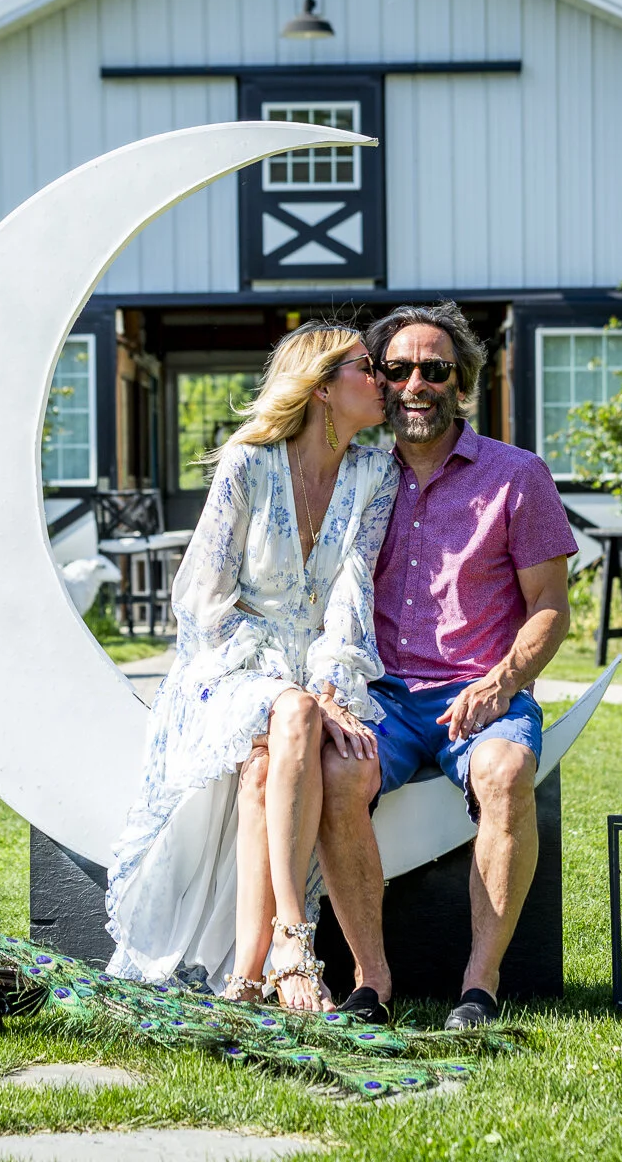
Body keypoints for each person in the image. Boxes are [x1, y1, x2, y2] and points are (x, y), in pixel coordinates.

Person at [105, 324, 399, 1012]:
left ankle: (246, 977)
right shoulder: (248, 464)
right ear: (321, 386)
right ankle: (293, 942)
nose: (383, 379)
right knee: (291, 711)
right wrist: (294, 689)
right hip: (229, 666)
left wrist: (329, 685)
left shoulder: (375, 474)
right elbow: (203, 599)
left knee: (270, 762)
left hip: (317, 671)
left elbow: (352, 594)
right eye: (366, 366)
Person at [315, 303, 577, 1028]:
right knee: (335, 774)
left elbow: (551, 607)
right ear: (378, 380)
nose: (416, 385)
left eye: (435, 370)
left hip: (481, 689)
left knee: (506, 771)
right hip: (382, 697)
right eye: (398, 370)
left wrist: (502, 682)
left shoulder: (518, 476)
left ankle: (478, 987)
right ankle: (370, 982)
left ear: (462, 382)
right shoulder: (357, 476)